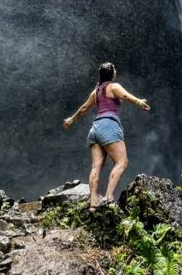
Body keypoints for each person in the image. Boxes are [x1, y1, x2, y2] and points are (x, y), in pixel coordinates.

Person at [63, 62, 150, 211]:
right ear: (111, 73)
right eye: (114, 69)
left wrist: (71, 119)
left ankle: (94, 202)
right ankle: (109, 199)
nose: (116, 71)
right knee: (122, 162)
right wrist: (139, 102)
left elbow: (84, 108)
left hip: (95, 129)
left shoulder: (96, 91)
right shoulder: (113, 86)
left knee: (96, 166)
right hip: (109, 126)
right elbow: (124, 95)